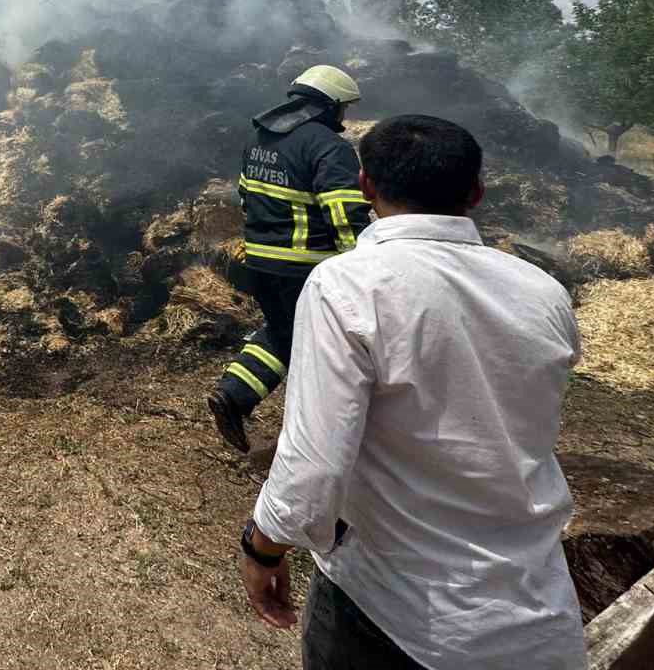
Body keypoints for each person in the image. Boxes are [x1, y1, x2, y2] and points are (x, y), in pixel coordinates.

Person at [237, 115, 586, 669]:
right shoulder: (543, 292)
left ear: (365, 185)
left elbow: (314, 462)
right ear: (475, 192)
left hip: (393, 615)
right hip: (538, 615)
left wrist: (263, 544)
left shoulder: (347, 286)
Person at [207, 65, 372, 453]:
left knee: (283, 331)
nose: (343, 117)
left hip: (261, 262)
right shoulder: (328, 146)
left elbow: (246, 196)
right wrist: (362, 262)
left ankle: (234, 395)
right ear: (329, 105)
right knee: (321, 348)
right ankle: (317, 436)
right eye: (342, 108)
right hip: (306, 266)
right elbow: (344, 212)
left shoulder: (260, 140)